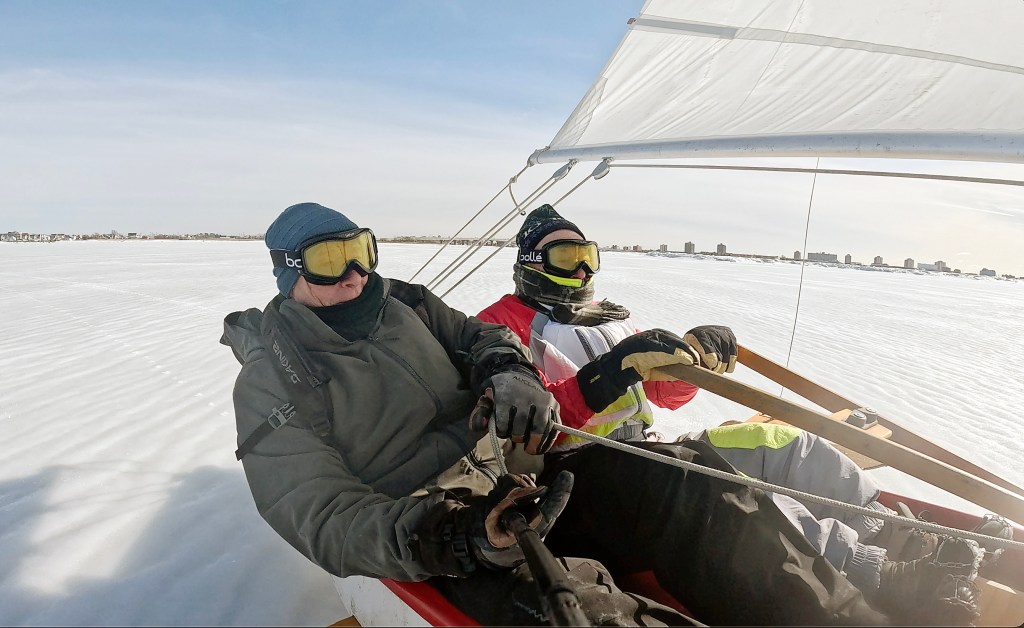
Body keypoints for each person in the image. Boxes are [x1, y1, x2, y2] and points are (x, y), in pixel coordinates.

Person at [221, 202, 930, 625]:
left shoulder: (404, 301)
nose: (353, 273)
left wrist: (506, 369)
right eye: (327, 261)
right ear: (289, 271)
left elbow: (481, 338)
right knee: (575, 609)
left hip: (531, 471)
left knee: (691, 490)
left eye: (361, 252)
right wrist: (458, 536)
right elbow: (318, 516)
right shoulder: (273, 378)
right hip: (440, 531)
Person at [476, 204, 988, 625]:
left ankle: (894, 533)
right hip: (574, 478)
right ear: (531, 262)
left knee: (786, 444)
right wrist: (607, 373)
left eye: (588, 255)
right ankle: (878, 573)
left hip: (642, 452)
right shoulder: (496, 326)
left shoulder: (604, 320)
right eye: (566, 256)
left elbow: (666, 392)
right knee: (725, 481)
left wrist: (694, 354)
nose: (583, 270)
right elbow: (522, 427)